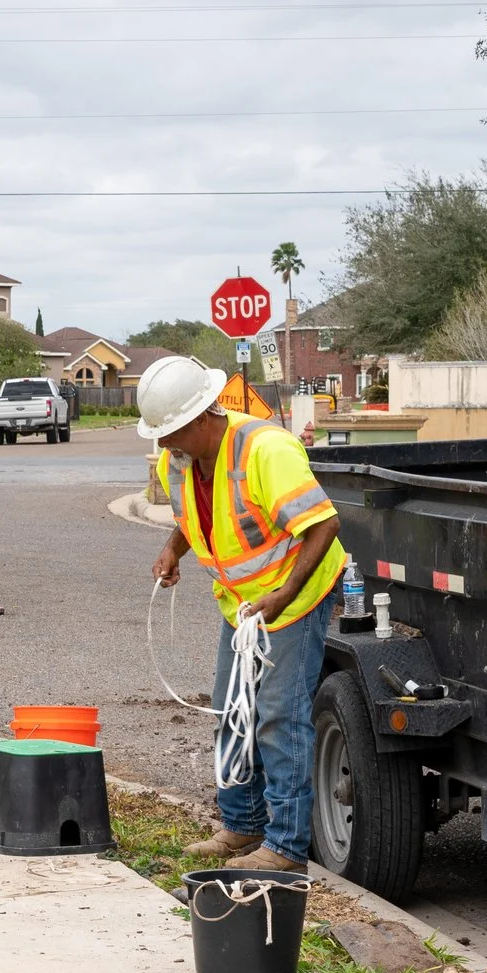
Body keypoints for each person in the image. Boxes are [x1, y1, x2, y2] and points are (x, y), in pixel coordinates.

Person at [140, 354, 345, 872]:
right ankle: (243, 824)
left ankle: (286, 847)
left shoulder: (265, 449)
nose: (163, 445)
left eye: (171, 433)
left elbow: (322, 525)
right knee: (233, 714)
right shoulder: (179, 462)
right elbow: (196, 515)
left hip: (296, 596)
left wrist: (284, 596)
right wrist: (173, 549)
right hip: (243, 605)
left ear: (202, 418)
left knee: (279, 717)